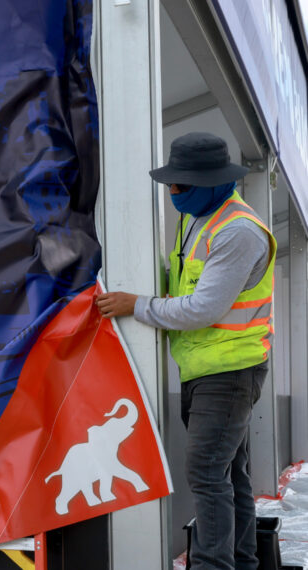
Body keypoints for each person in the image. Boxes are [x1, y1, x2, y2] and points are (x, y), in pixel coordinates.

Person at [96, 132, 274, 570]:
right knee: (229, 474)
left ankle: (214, 566)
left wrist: (134, 304)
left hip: (230, 371)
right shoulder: (200, 218)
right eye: (171, 184)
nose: (172, 192)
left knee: (207, 474)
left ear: (213, 182)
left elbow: (202, 307)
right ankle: (242, 563)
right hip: (204, 369)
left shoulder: (238, 232)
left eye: (181, 185)